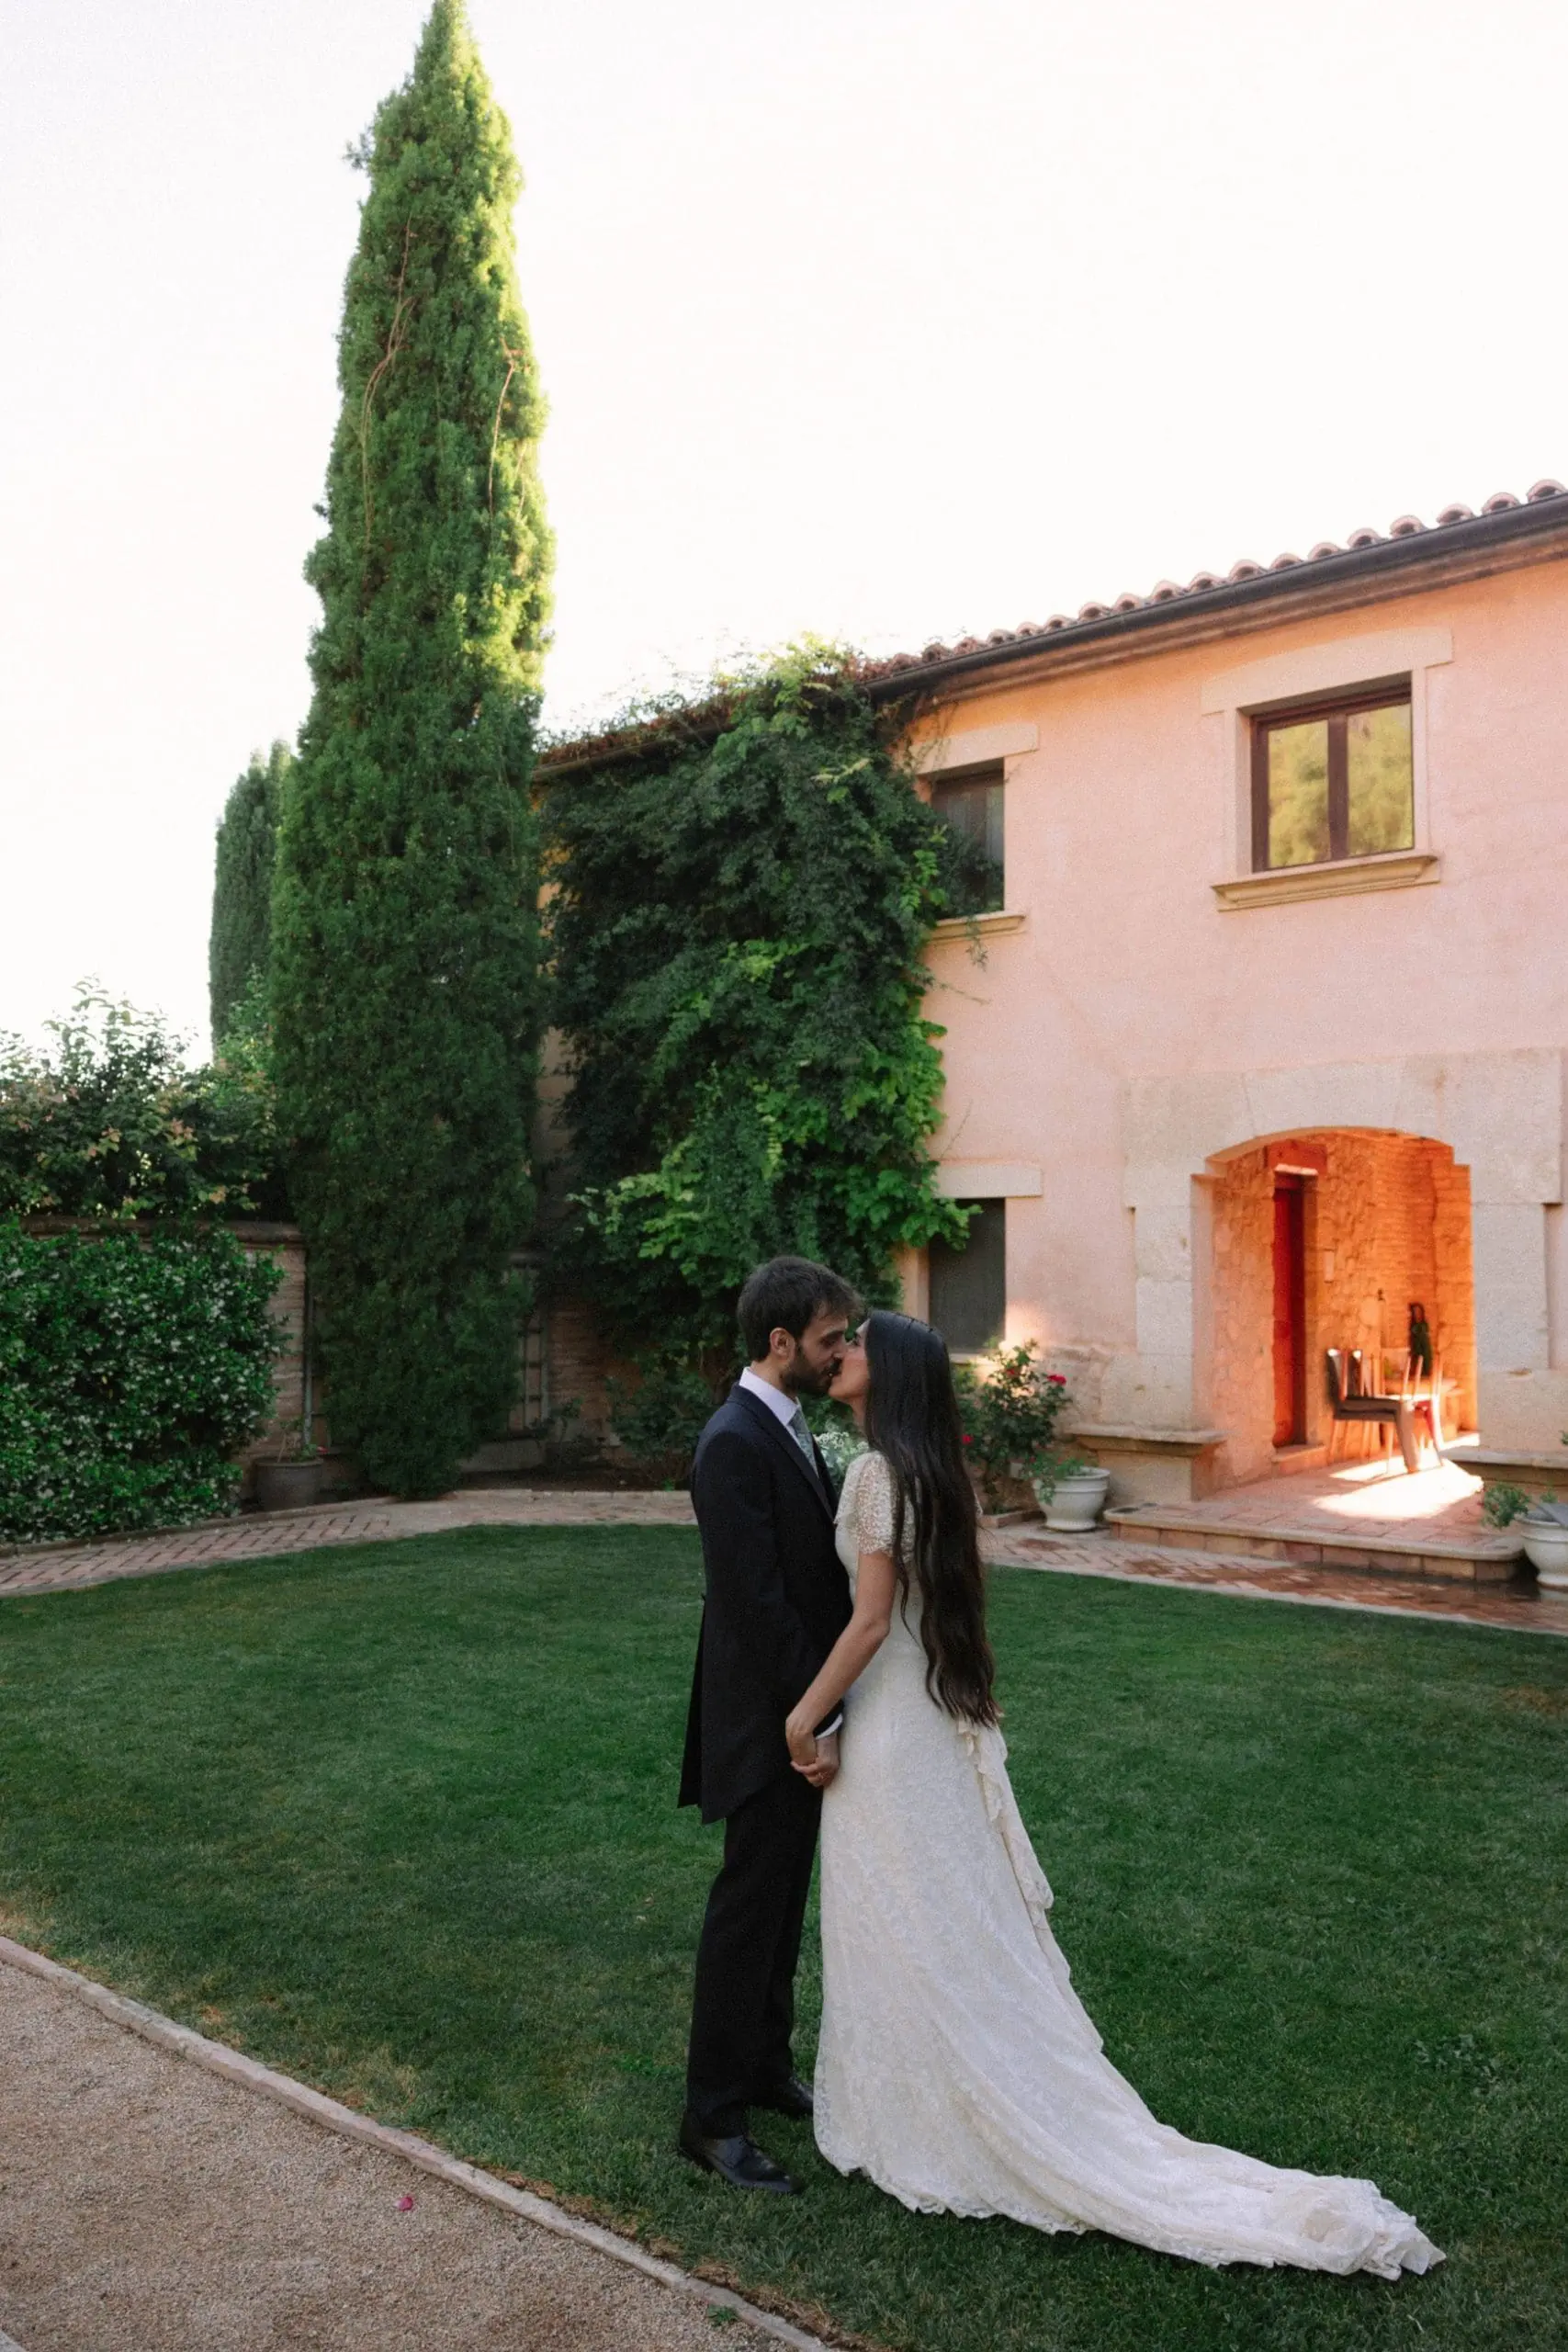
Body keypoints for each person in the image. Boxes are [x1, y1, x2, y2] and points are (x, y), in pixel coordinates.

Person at [784, 1307, 1442, 2278]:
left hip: (889, 1733)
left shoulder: (882, 1474)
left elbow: (872, 1621)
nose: (843, 1355)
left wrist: (804, 1718)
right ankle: (926, 2097)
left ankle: (940, 2116)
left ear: (898, 1376)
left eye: (860, 1346)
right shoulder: (929, 1474)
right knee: (931, 1921)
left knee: (907, 1918)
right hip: (926, 1726)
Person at [678, 1254, 860, 2194]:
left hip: (795, 1713)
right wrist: (813, 1715)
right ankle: (712, 2119)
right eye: (829, 1339)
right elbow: (756, 1607)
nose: (840, 1354)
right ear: (779, 1341)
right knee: (746, 1914)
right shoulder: (733, 1441)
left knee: (784, 1903)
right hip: (765, 1723)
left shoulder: (787, 1427)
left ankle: (762, 2064)